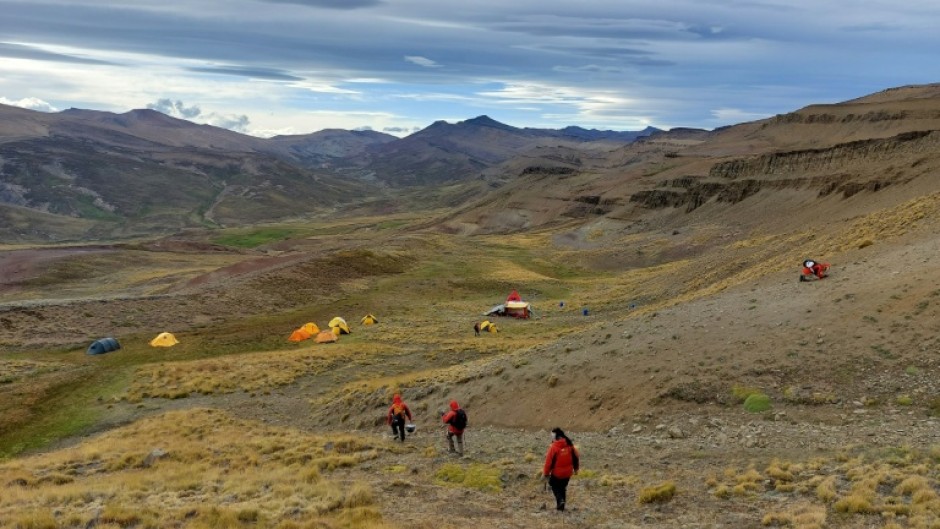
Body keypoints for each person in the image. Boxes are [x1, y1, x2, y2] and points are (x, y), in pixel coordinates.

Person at [543, 427, 579, 512]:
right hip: (568, 473)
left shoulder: (554, 447)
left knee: (554, 485)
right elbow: (575, 457)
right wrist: (576, 469)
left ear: (555, 436)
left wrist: (546, 473)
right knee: (562, 488)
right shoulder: (569, 444)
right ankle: (561, 508)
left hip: (557, 473)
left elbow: (548, 462)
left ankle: (560, 501)